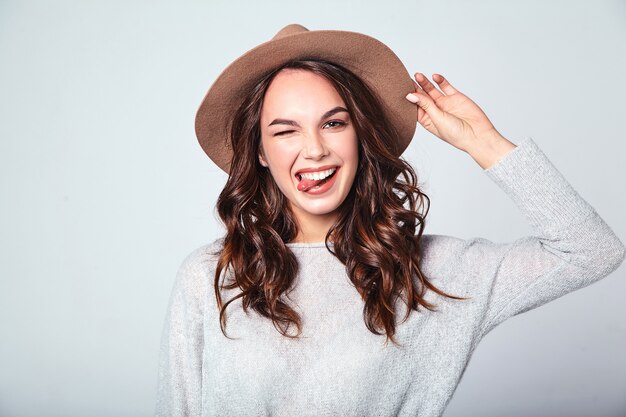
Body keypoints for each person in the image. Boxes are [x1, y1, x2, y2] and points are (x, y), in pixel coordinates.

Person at [155, 24, 625, 417]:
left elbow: (593, 251)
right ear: (259, 151)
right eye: (285, 130)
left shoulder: (433, 273)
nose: (314, 148)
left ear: (360, 134)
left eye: (334, 123)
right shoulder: (211, 276)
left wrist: (482, 142)